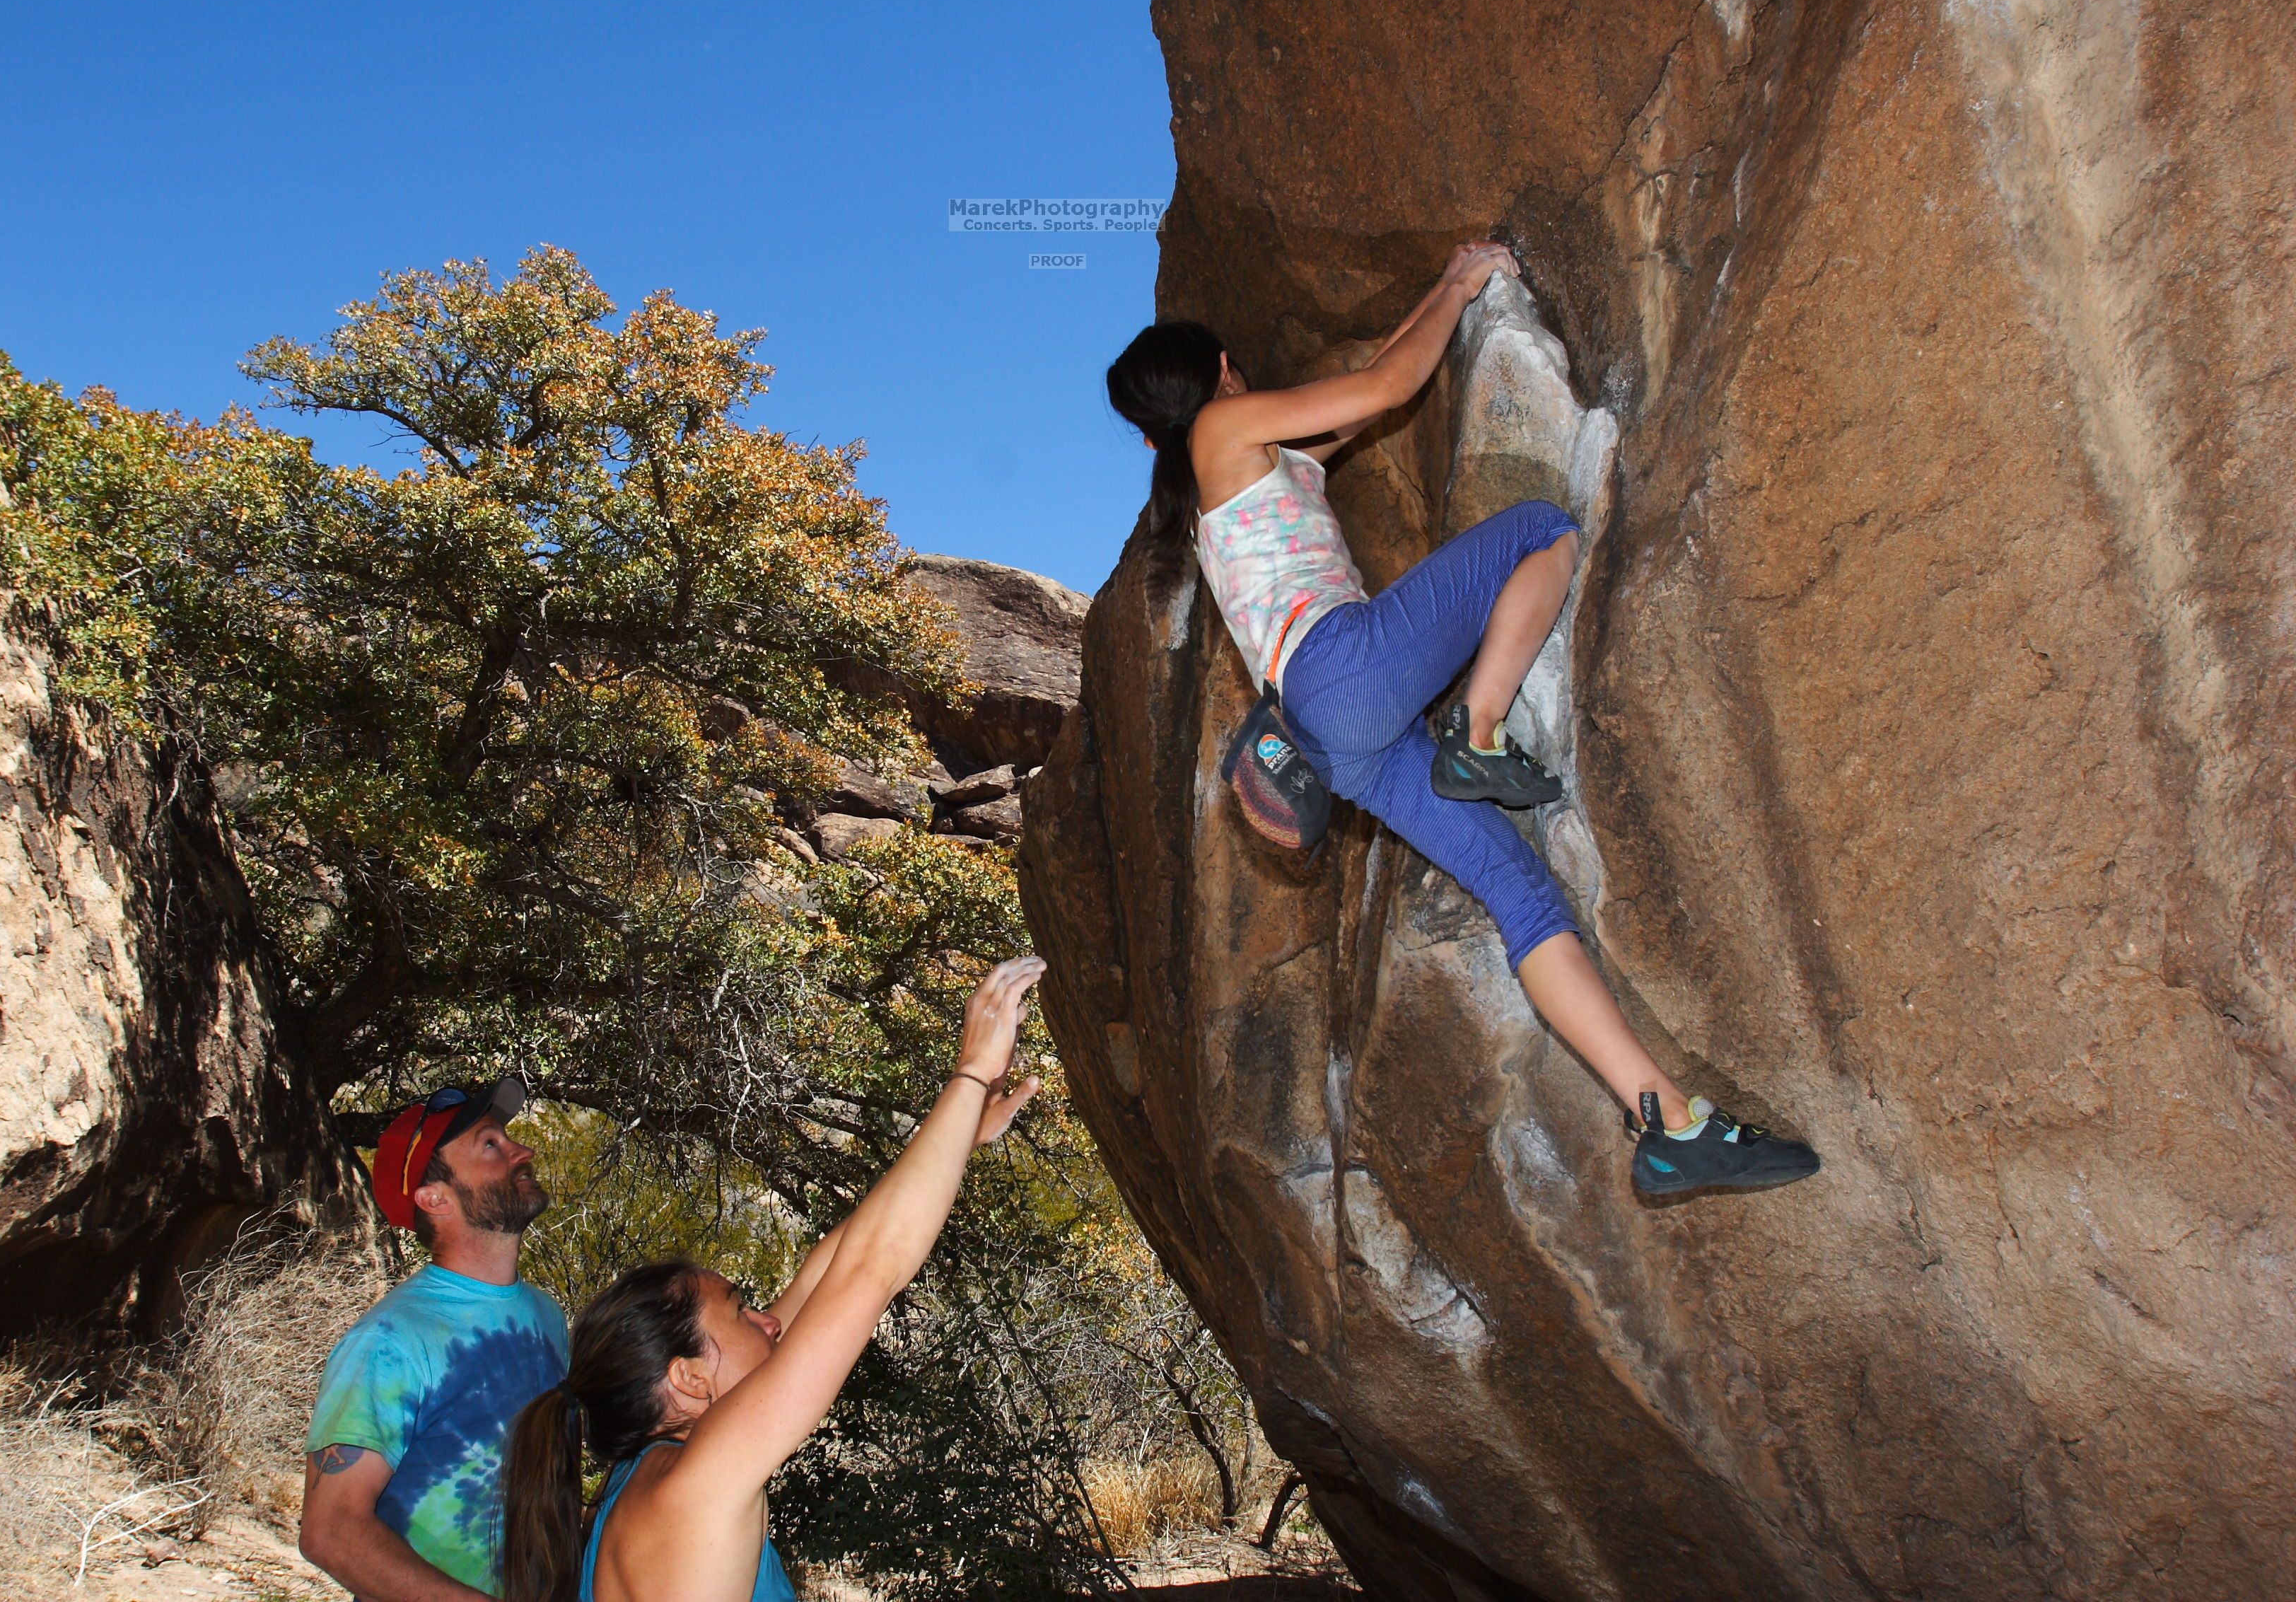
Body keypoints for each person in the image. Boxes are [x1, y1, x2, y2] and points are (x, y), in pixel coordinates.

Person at [1105, 245, 1818, 1196]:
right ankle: (1477, 735)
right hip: (1343, 672)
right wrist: (1466, 282)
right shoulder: (1226, 426)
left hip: (1338, 745)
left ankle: (1667, 1122)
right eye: (1233, 370)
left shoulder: (1231, 473)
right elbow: (1385, 384)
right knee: (1540, 532)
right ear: (1218, 374)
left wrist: (1447, 285)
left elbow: (1370, 393)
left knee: (1521, 895)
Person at [496, 957, 1049, 1602]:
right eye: (743, 1311)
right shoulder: (697, 1485)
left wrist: (955, 1139)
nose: (770, 1319)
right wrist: (972, 1070)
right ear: (688, 1377)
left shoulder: (644, 1479)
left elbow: (827, 1271)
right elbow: (872, 1269)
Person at [301, 1076, 568, 1600]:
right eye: (491, 1144)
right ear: (434, 1198)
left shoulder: (546, 1317)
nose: (523, 1150)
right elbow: (331, 1533)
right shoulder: (389, 1341)